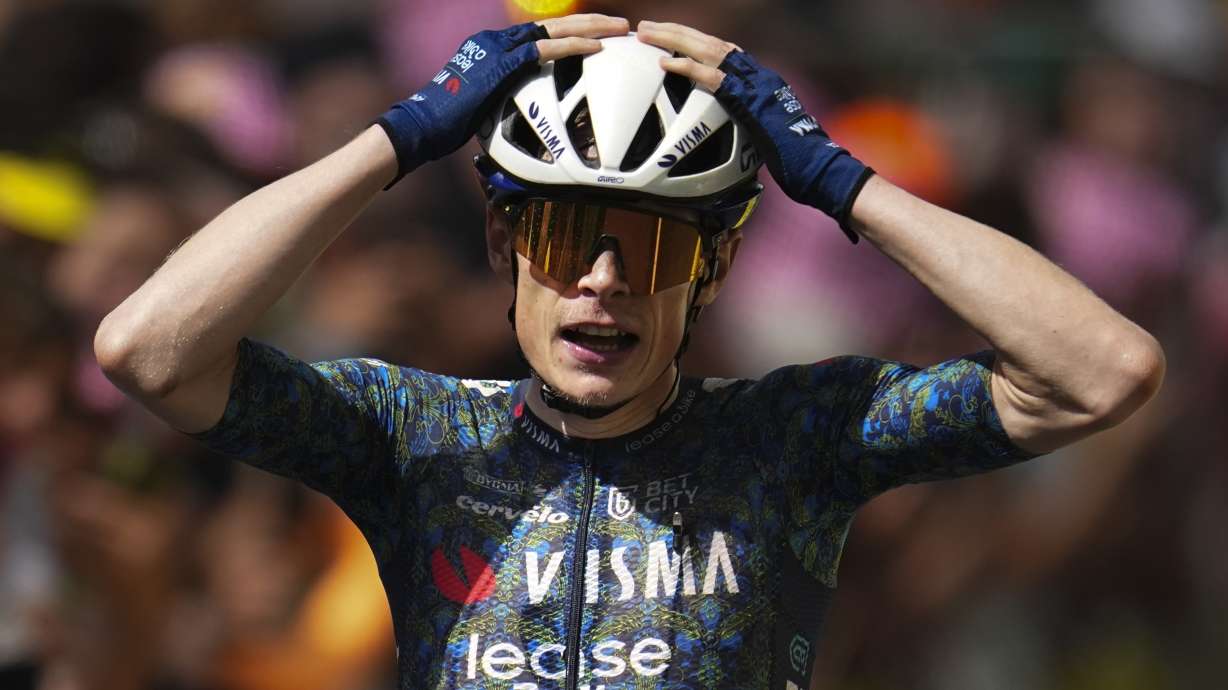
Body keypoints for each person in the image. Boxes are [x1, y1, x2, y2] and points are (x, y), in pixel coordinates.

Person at [95, 14, 1165, 690]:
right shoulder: (412, 435)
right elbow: (148, 348)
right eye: (562, 239)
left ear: (711, 272)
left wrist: (838, 181)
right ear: (500, 245)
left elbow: (1102, 370)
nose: (601, 281)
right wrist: (400, 139)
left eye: (652, 245)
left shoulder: (793, 438)